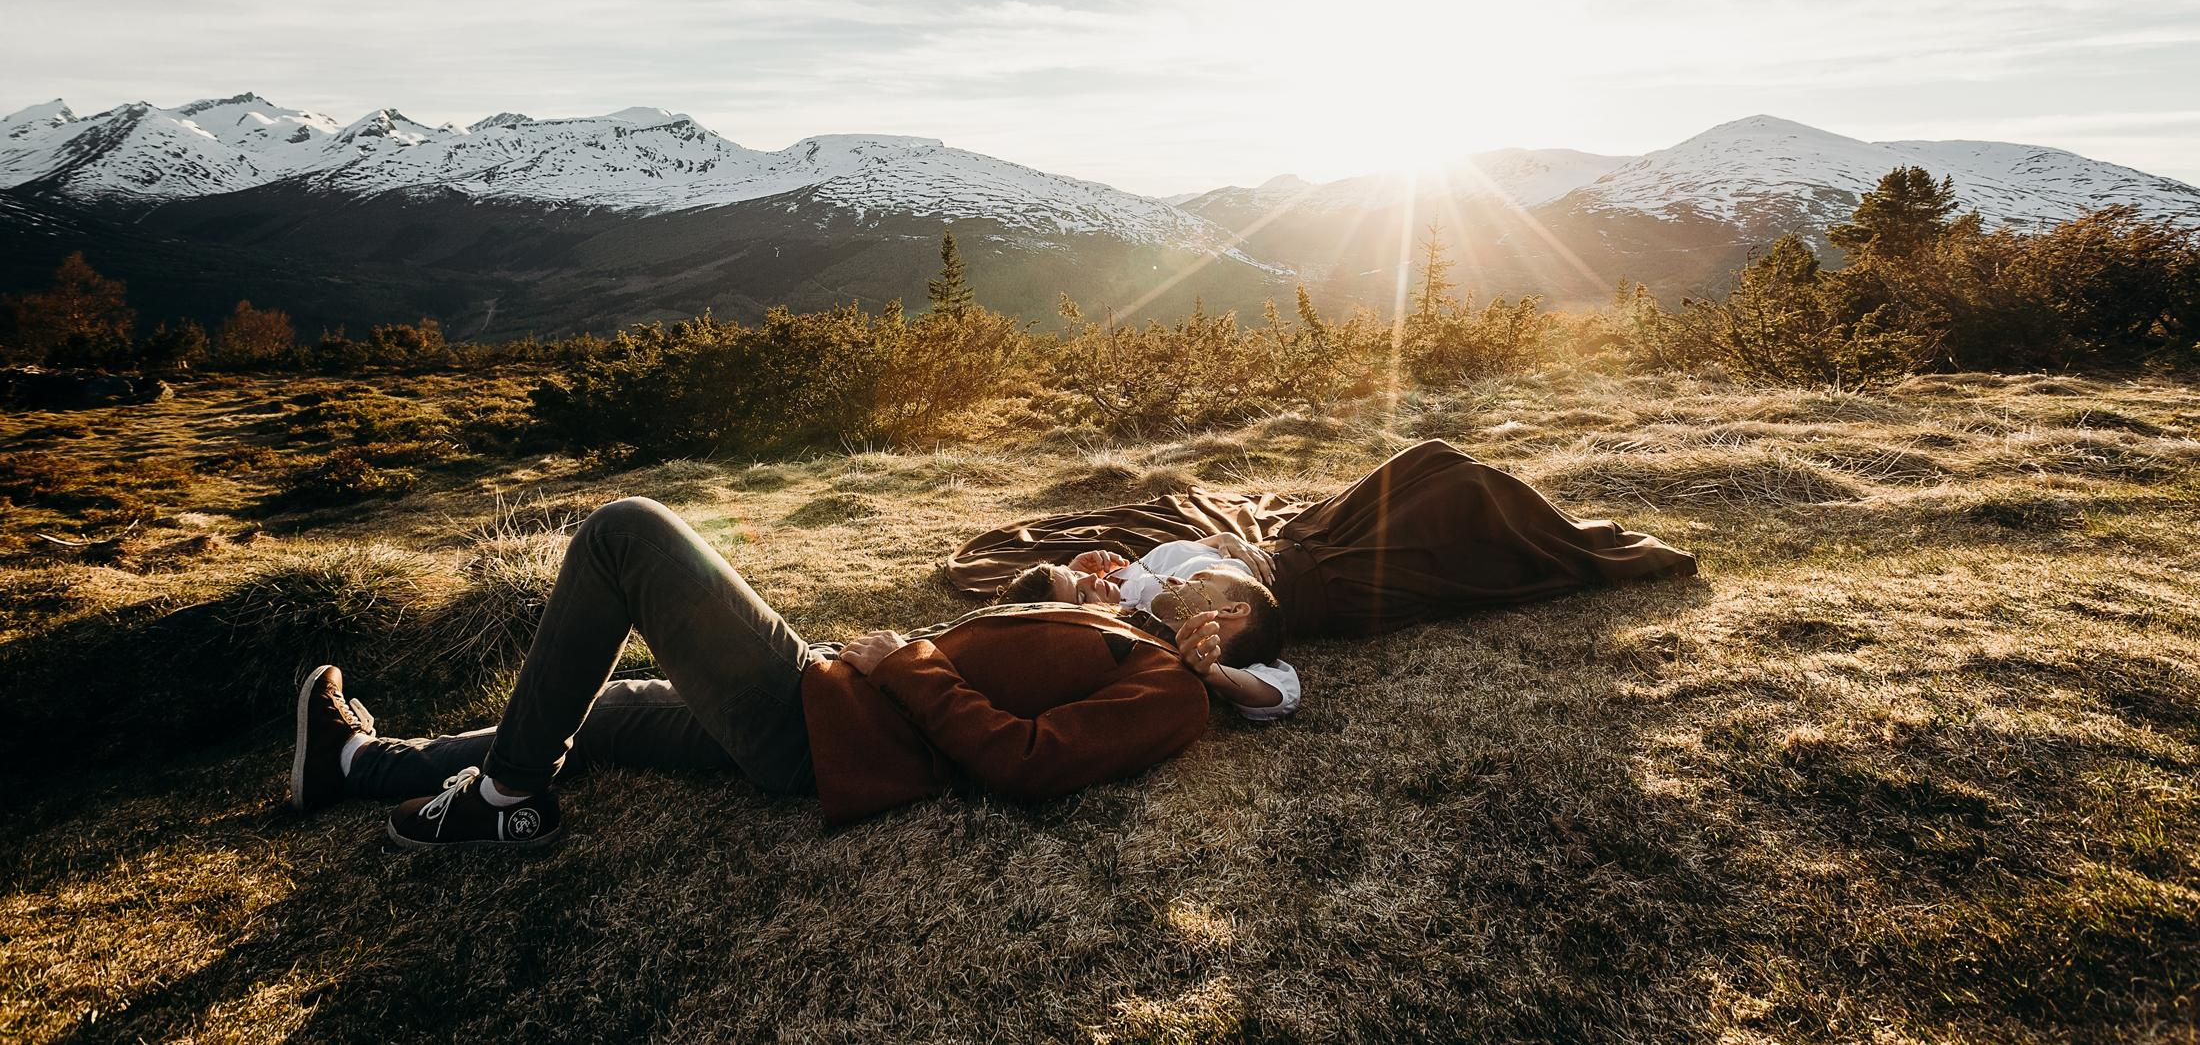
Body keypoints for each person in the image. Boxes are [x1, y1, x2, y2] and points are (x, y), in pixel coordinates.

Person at [291, 496, 1210, 846]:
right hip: (828, 697)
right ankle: (353, 763)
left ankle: (506, 798)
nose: (1167, 571)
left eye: (1200, 575)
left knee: (627, 534)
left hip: (824, 727)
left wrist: (907, 658)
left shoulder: (1173, 685)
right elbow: (1000, 660)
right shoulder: (1122, 625)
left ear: (1227, 619)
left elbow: (1027, 760)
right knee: (608, 709)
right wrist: (1050, 587)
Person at [947, 438, 1698, 638]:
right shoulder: (1144, 624)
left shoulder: (1132, 577)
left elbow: (1179, 559)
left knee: (1432, 457)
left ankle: (1569, 532)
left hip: (1301, 537)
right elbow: (1227, 633)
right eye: (1086, 595)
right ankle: (1598, 552)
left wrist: (1092, 563)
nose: (1100, 583)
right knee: (1462, 497)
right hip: (1325, 582)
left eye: (1088, 577)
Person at [992, 534, 1298, 720]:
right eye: (1082, 594)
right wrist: (1209, 671)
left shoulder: (1119, 591)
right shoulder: (1150, 625)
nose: (1176, 581)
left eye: (1197, 580)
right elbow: (1281, 691)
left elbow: (1280, 692)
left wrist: (1224, 539)